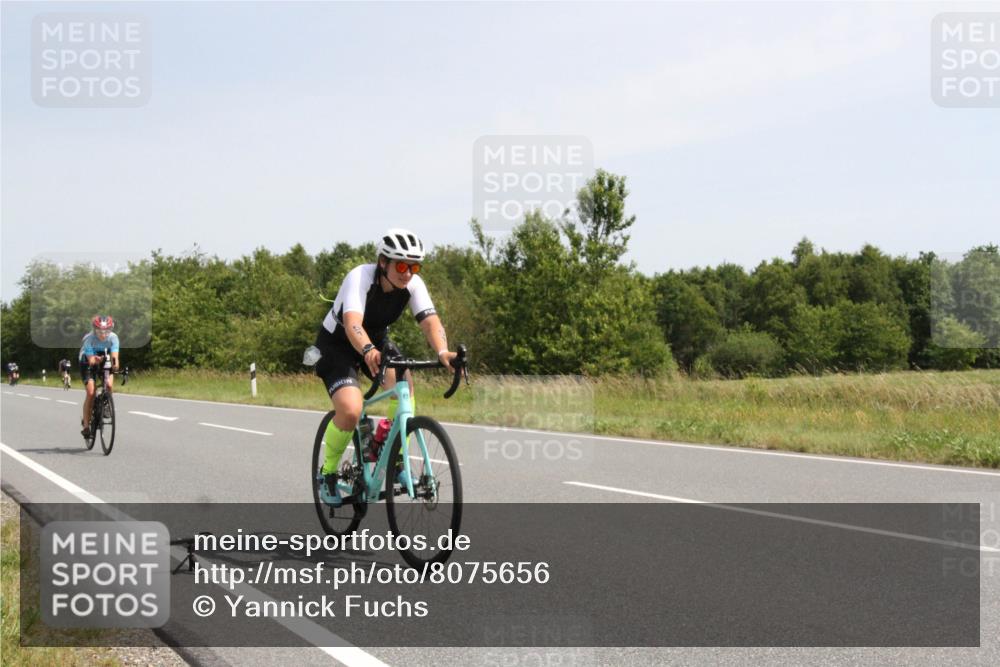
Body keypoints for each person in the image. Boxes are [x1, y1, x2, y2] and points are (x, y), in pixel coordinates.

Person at [313, 229, 457, 503]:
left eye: (414, 267)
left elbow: (430, 321)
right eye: (401, 265)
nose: (408, 273)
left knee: (405, 390)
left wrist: (442, 351)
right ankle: (329, 473)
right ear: (383, 262)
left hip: (377, 342)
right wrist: (367, 350)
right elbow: (353, 321)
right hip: (338, 344)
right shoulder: (360, 277)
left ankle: (393, 456)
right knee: (351, 410)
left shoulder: (413, 285)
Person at [79, 315, 120, 438]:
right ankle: (86, 426)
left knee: (109, 384)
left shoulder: (113, 338)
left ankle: (106, 404)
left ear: (111, 329)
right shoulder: (89, 339)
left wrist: (115, 366)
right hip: (87, 360)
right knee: (91, 392)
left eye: (106, 331)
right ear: (94, 330)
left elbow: (115, 358)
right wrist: (95, 359)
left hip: (104, 357)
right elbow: (91, 360)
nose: (103, 334)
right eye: (99, 331)